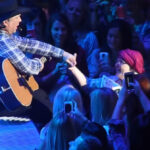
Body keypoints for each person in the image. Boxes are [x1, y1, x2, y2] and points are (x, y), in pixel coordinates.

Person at [0, 0, 76, 129]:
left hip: (9, 98)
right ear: (4, 22)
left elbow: (31, 44)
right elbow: (29, 68)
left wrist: (62, 53)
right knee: (47, 114)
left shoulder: (7, 37)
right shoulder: (2, 40)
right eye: (17, 16)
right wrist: (40, 62)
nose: (20, 20)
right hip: (6, 102)